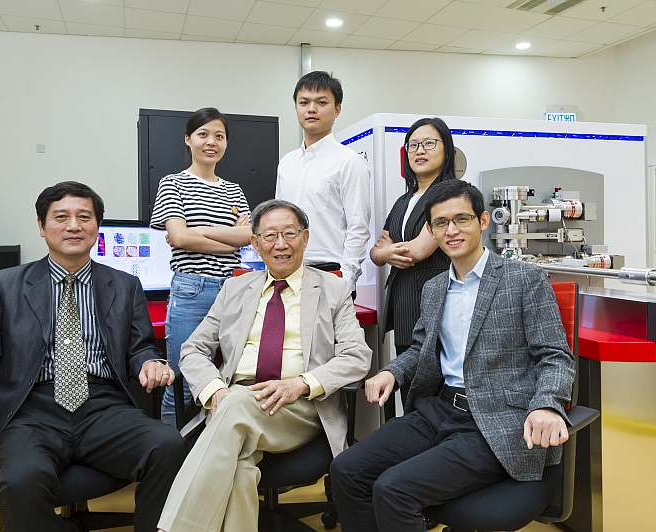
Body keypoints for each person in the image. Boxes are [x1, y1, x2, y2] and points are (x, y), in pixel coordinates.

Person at [0, 181, 186, 532]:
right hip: (30, 410)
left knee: (169, 445)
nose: (74, 226)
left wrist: (149, 362)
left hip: (103, 407)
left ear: (97, 227)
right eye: (61, 217)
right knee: (20, 482)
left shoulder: (124, 285)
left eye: (84, 217)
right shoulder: (5, 284)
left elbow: (140, 346)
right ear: (41, 227)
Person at [330, 180, 575, 532]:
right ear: (430, 230)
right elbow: (420, 349)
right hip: (439, 410)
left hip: (495, 421)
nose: (452, 230)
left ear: (483, 221)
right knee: (347, 470)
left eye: (462, 219)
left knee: (393, 489)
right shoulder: (433, 288)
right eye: (441, 223)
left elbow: (554, 356)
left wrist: (547, 404)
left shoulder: (524, 279)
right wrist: (392, 372)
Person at [157, 199, 372, 532]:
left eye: (289, 233)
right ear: (254, 243)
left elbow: (357, 356)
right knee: (240, 464)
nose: (280, 244)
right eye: (270, 236)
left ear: (305, 238)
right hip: (233, 403)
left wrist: (301, 383)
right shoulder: (235, 288)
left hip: (300, 405)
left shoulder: (333, 288)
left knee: (238, 404)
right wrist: (215, 391)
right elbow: (193, 349)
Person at [150, 107, 252, 427]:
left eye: (219, 136)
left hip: (234, 289)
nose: (212, 142)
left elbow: (248, 237)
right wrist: (227, 240)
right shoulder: (173, 183)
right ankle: (172, 461)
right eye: (203, 134)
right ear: (188, 139)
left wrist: (196, 233)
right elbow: (178, 236)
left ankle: (212, 451)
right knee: (181, 381)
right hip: (192, 287)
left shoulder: (233, 189)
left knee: (230, 378)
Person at [275, 71, 371, 295]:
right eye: (304, 102)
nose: (311, 109)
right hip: (285, 273)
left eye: (321, 102)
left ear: (337, 109)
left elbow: (359, 227)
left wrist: (346, 280)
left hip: (330, 274)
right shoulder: (287, 163)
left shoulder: (349, 162)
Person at [371, 117, 457, 356]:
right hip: (404, 307)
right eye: (413, 145)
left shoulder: (449, 195)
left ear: (447, 151)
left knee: (433, 386)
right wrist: (383, 252)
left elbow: (419, 250)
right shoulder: (404, 200)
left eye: (429, 143)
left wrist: (387, 251)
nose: (420, 151)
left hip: (435, 306)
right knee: (408, 384)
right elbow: (376, 252)